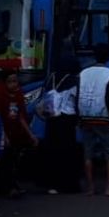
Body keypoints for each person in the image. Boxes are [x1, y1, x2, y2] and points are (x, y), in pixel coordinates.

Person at [78, 43, 109, 196]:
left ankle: (90, 187)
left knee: (88, 153)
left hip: (85, 116)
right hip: (103, 117)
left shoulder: (83, 72)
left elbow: (78, 94)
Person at [40, 56, 83, 194]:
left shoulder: (50, 77)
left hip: (52, 118)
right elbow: (77, 101)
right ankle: (67, 184)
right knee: (67, 152)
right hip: (67, 120)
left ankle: (51, 184)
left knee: (52, 150)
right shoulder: (73, 80)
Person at [0, 71, 37, 197]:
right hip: (3, 134)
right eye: (10, 81)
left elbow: (21, 117)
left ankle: (12, 186)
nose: (14, 84)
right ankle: (5, 189)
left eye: (15, 81)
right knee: (4, 163)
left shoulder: (18, 95)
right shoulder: (0, 95)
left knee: (13, 162)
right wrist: (4, 136)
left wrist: (30, 134)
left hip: (15, 134)